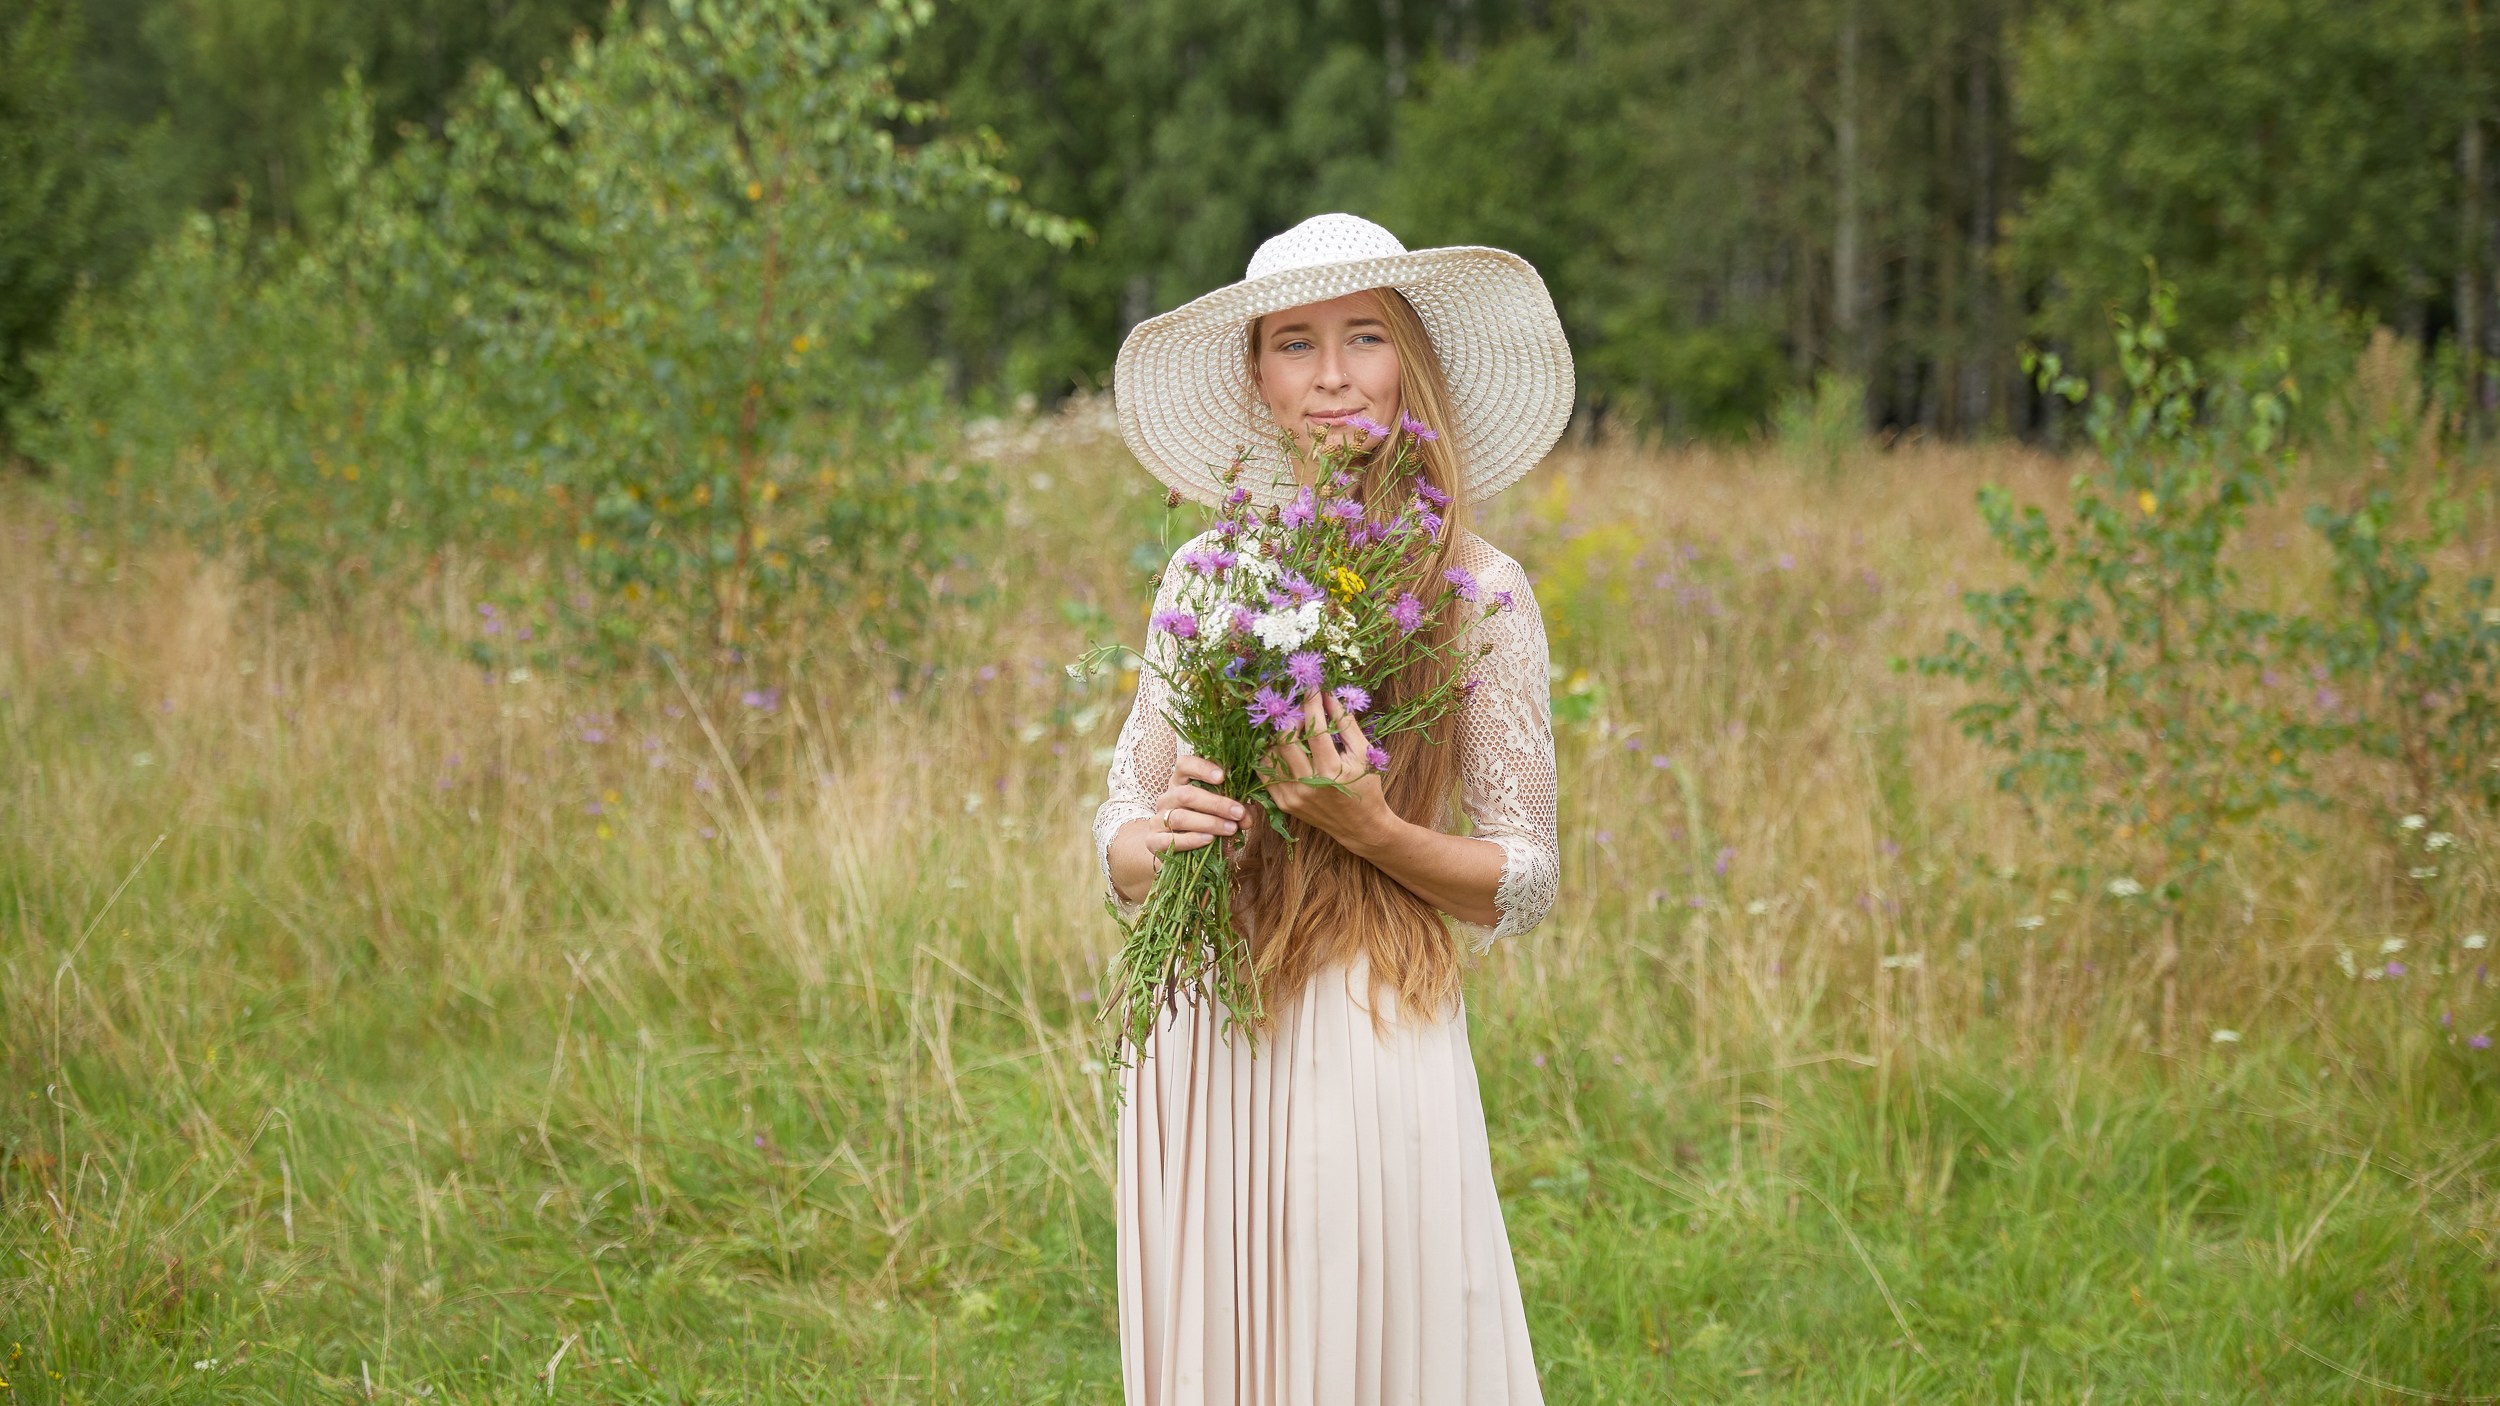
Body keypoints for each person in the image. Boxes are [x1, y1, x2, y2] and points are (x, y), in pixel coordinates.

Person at [1096, 212, 1567, 1406]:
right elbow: (1119, 828)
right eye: (1294, 344)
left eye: (1364, 336)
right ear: (1259, 377)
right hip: (1207, 1017)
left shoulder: (1478, 589)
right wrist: (1166, 839)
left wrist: (1374, 830)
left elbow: (1525, 877)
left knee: (1371, 1348)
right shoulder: (1209, 574)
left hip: (1368, 1010)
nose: (1332, 376)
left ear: (1410, 361)